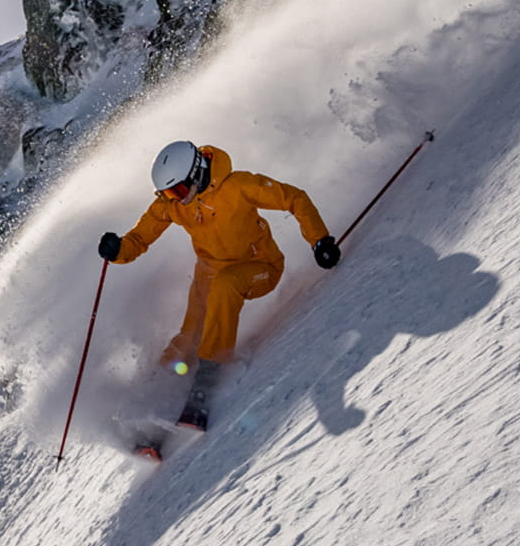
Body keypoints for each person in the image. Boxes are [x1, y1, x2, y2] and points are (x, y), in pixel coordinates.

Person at [97, 139, 340, 429]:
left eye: (179, 190)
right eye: (168, 193)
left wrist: (320, 239)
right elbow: (139, 239)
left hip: (259, 267)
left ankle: (206, 384)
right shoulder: (173, 205)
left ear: (197, 173)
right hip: (209, 274)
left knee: (226, 284)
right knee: (188, 337)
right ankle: (154, 391)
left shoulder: (238, 186)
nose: (176, 199)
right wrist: (118, 250)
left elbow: (294, 198)